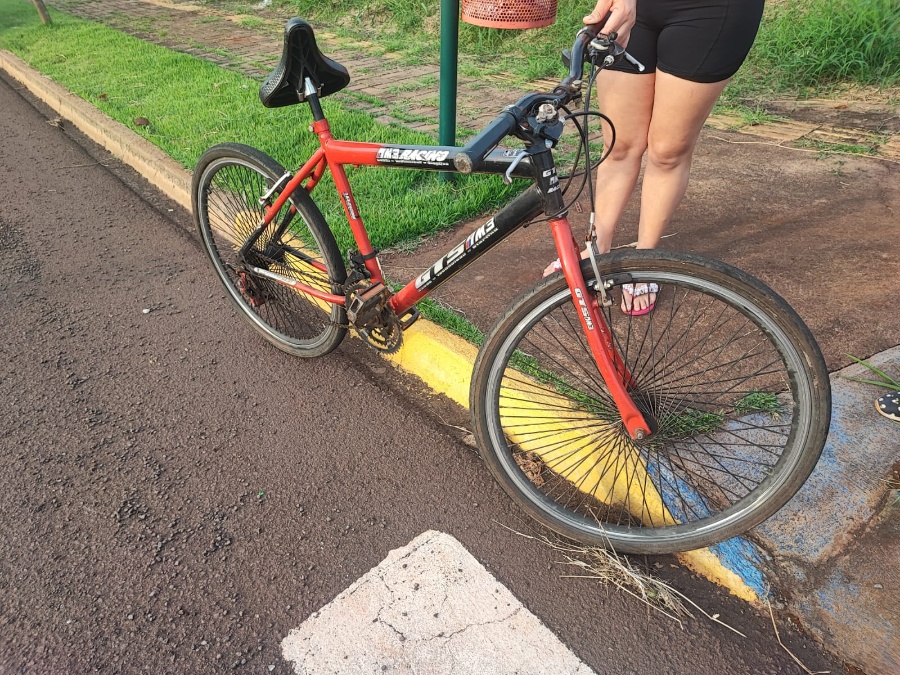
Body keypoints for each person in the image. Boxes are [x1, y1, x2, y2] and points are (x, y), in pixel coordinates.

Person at [545, 0, 766, 315]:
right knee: (619, 144)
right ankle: (596, 249)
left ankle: (645, 261)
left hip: (713, 10)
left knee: (667, 151)